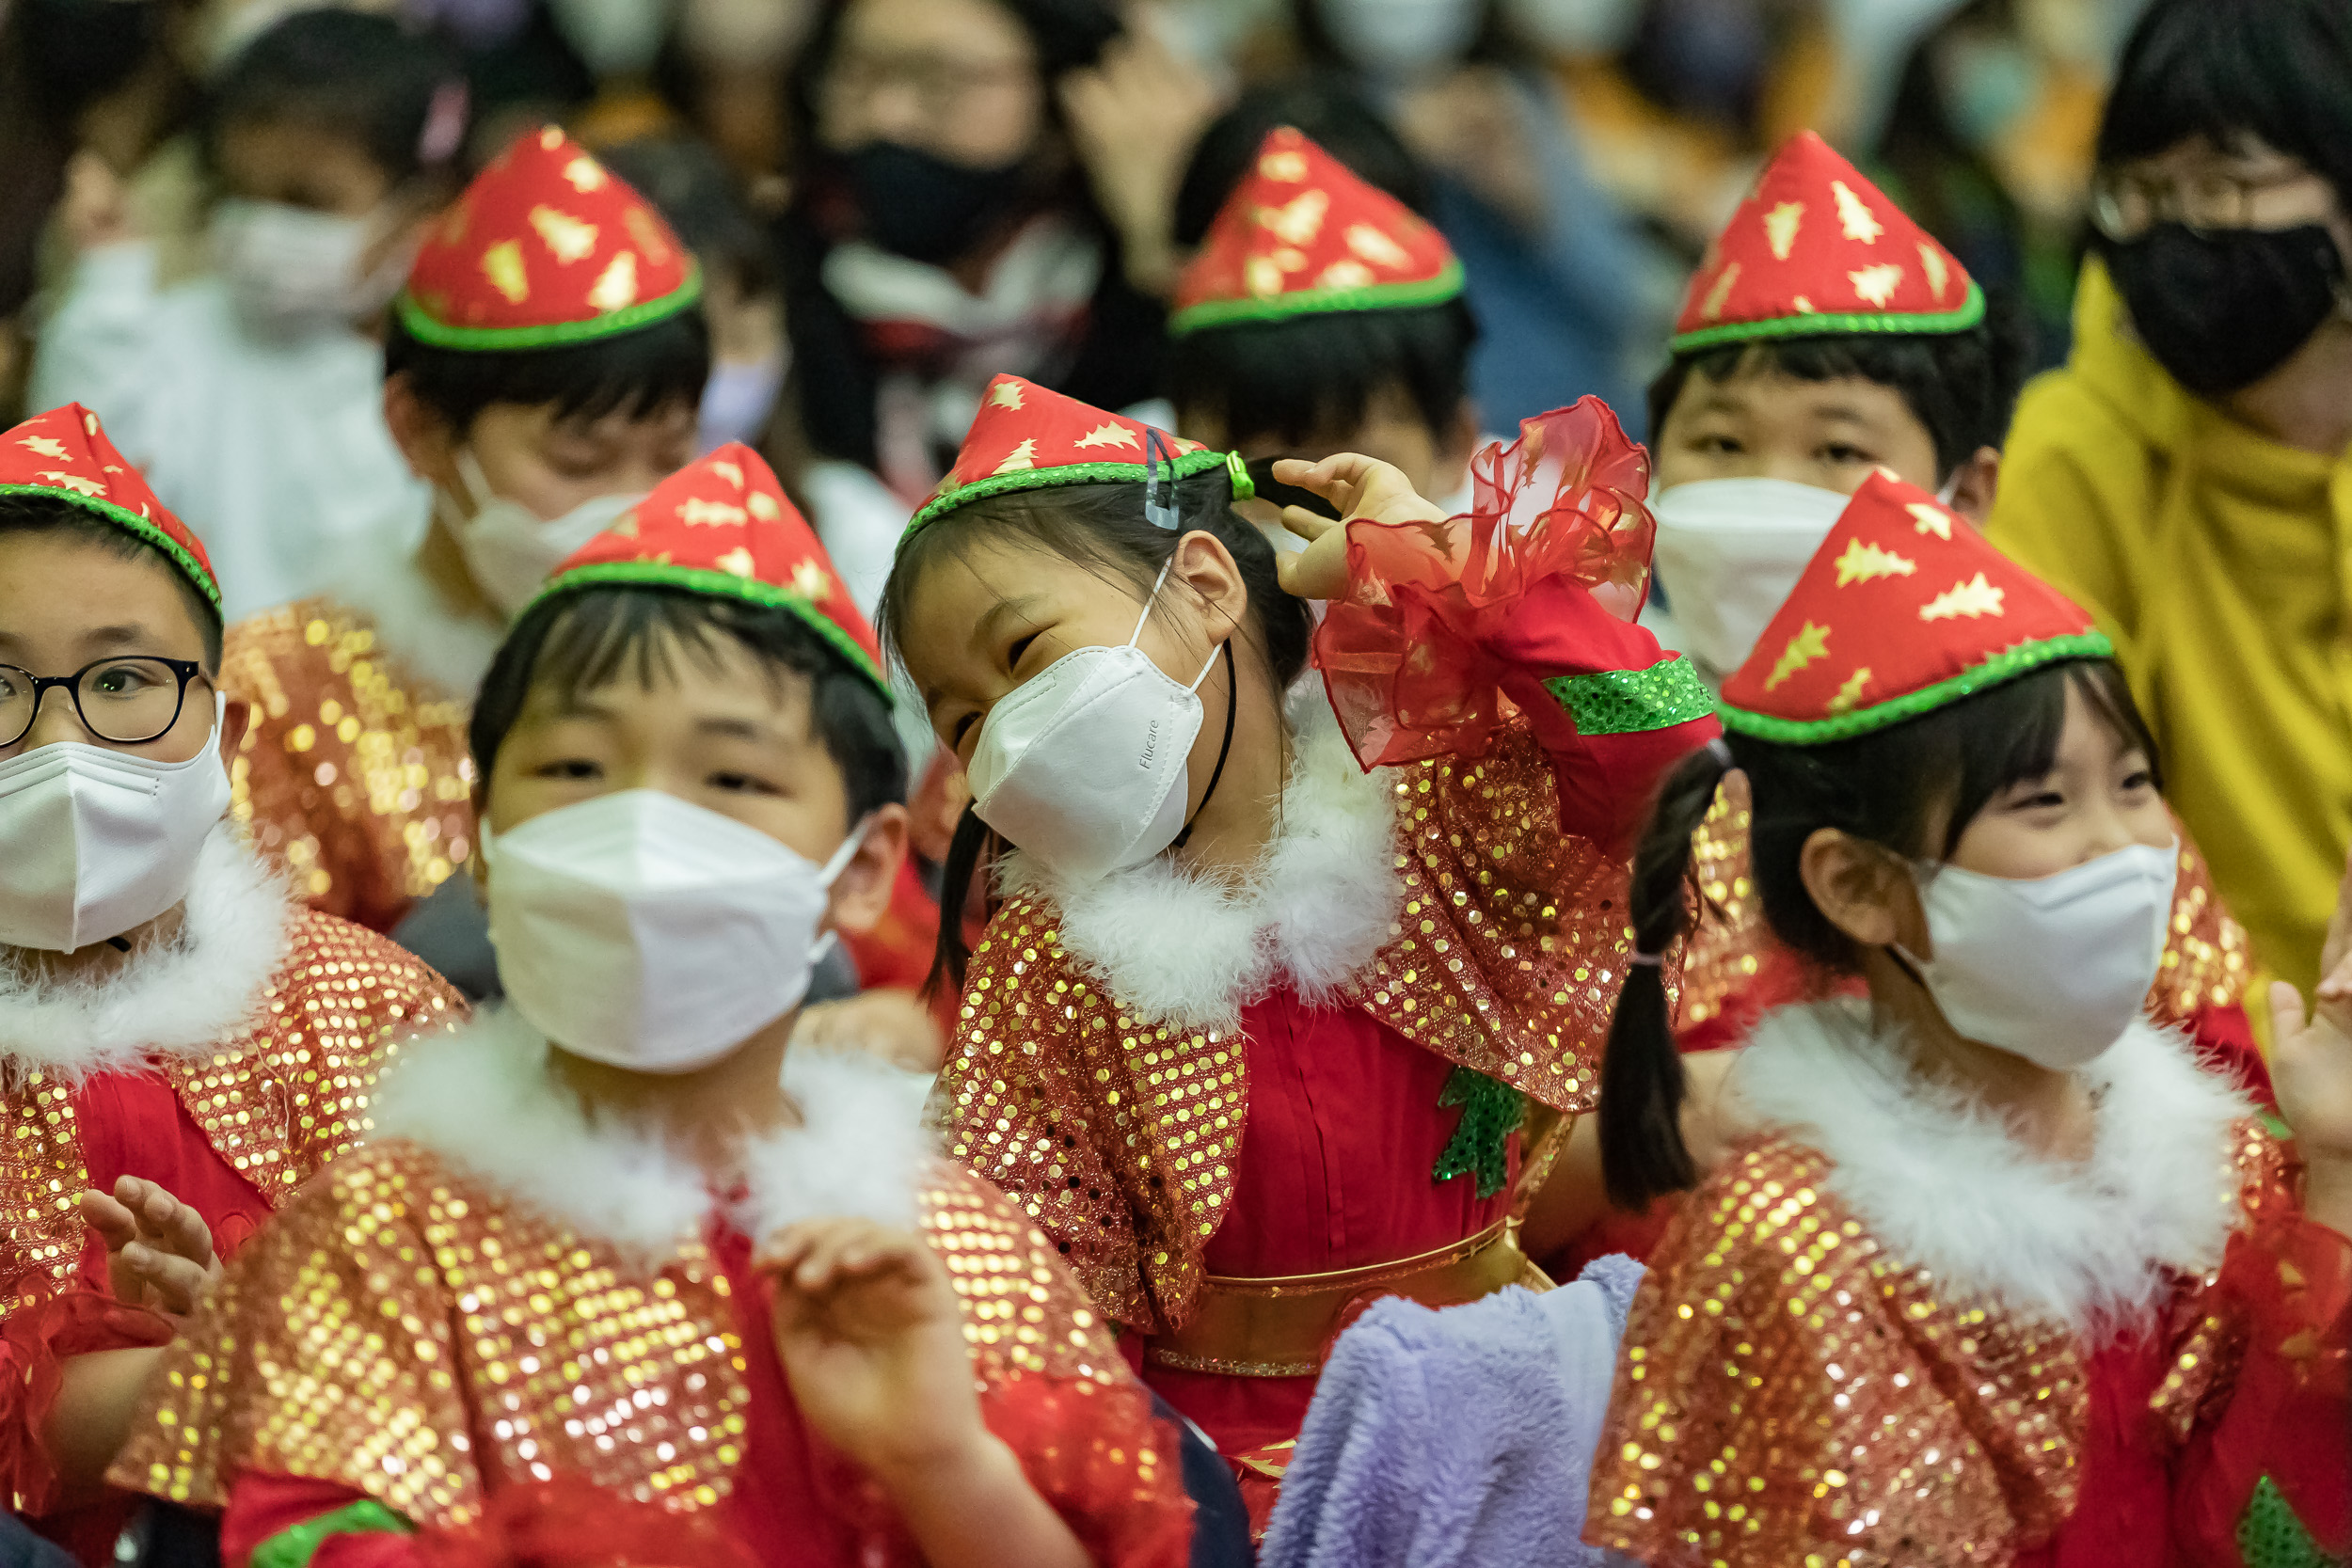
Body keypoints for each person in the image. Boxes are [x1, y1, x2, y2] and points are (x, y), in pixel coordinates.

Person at [108, 443, 1196, 1568]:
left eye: (731, 780)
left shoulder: (953, 1253)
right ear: (483, 843)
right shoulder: (377, 1240)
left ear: (865, 868)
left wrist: (941, 1464)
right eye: (576, 769)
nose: (640, 831)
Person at [882, 373, 1716, 1530]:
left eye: (1024, 650)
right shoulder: (1045, 970)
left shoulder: (1441, 816)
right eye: (963, 719)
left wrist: (1431, 560)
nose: (1006, 738)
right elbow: (1038, 1315)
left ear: (1207, 585)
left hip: (1520, 1444)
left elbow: (1665, 752)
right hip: (1232, 1498)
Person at [1584, 469, 2351, 1566]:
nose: (2123, 848)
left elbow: (2265, 1521)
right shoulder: (1793, 1241)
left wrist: (2336, 1166)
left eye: (2133, 784)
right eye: (2044, 802)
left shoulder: (2214, 1163)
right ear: (1856, 884)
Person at [1631, 130, 2254, 1070]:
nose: (1764, 492)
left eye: (1836, 451)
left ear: (1962, 497)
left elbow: (2211, 1080)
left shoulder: (2048, 758)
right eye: (1719, 445)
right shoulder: (1583, 747)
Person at [0, 404, 463, 1564]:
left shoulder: (376, 1009)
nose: (61, 744)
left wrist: (234, 1350)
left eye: (122, 681)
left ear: (228, 727)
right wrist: (249, 1364)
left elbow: (482, 1374)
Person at [223, 124, 704, 972]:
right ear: (419, 432)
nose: (633, 506)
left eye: (669, 456)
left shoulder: (729, 660)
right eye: (579, 459)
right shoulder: (275, 695)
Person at [1987, 0, 2352, 1001]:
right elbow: (2061, 855)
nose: (2172, 232)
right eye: (2139, 193)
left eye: (2224, 186)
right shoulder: (2072, 459)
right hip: (2238, 1086)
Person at [770, 0, 1216, 612]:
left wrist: (1154, 242)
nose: (887, 117)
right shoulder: (778, 282)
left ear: (1070, 96)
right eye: (856, 74)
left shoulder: (1135, 297)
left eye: (941, 82)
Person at [27, 10, 465, 618]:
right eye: (236, 192)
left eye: (305, 200)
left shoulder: (457, 374)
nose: (260, 227)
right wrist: (107, 289)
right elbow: (75, 485)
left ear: (420, 206)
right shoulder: (172, 337)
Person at [1287, 0, 1668, 433]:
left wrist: (1535, 205)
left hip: (1584, 430)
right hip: (1437, 448)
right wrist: (1389, 152)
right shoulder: (1301, 129)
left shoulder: (1512, 102)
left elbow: (1627, 302)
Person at [1168, 125, 1481, 535]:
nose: (1300, 528)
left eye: (1353, 480)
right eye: (1256, 480)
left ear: (1455, 448)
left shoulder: (1531, 581)